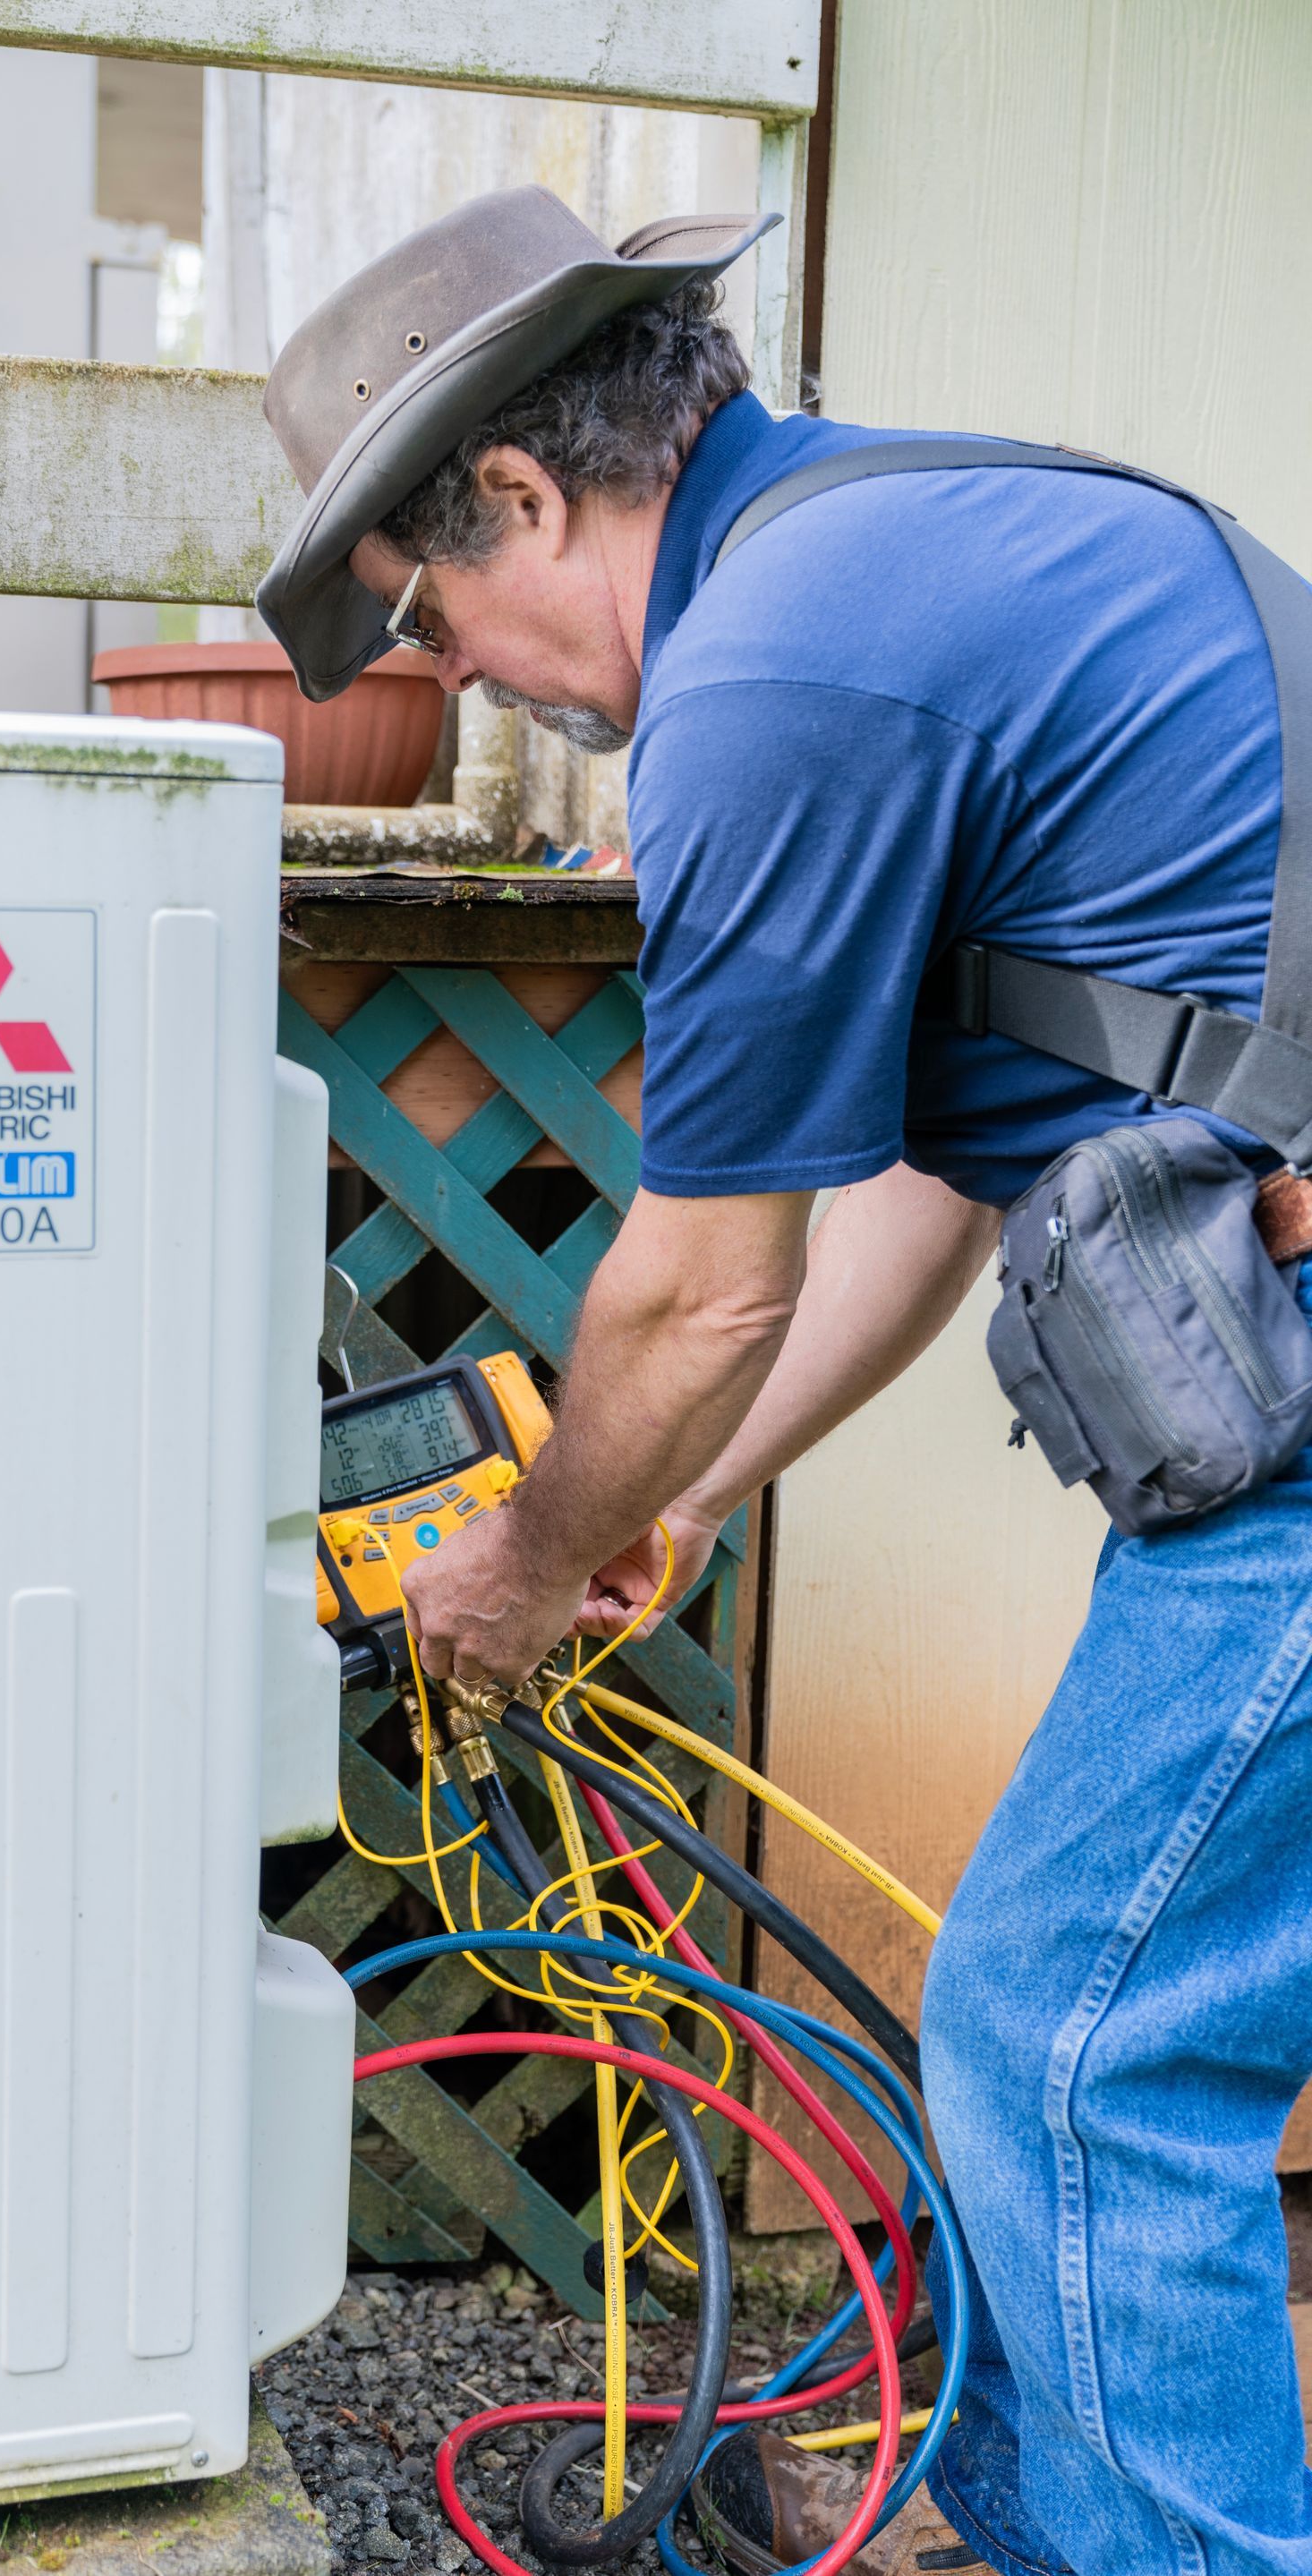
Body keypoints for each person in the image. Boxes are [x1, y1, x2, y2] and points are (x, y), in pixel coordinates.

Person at [256, 186, 1312, 2576]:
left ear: (521, 498)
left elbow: (692, 1289)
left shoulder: (774, 680)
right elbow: (940, 1181)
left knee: (1074, 2041)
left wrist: (522, 1567)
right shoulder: (923, 542)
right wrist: (701, 1489)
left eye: (434, 611)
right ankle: (1039, 2523)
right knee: (1067, 2025)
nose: (475, 671)